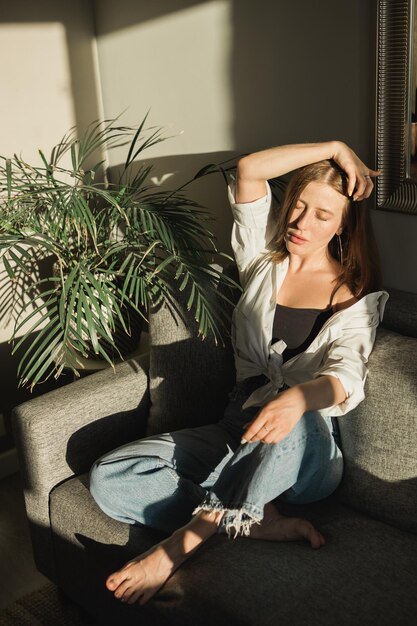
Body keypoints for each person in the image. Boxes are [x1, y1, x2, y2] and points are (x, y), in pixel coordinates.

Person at [89, 140, 388, 607]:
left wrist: (299, 398)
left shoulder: (354, 298)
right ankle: (252, 516)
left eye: (323, 216)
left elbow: (346, 378)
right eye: (298, 206)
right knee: (110, 476)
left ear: (345, 226)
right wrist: (335, 147)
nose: (300, 224)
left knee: (294, 417)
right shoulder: (261, 265)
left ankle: (180, 546)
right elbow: (250, 170)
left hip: (306, 451)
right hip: (236, 425)